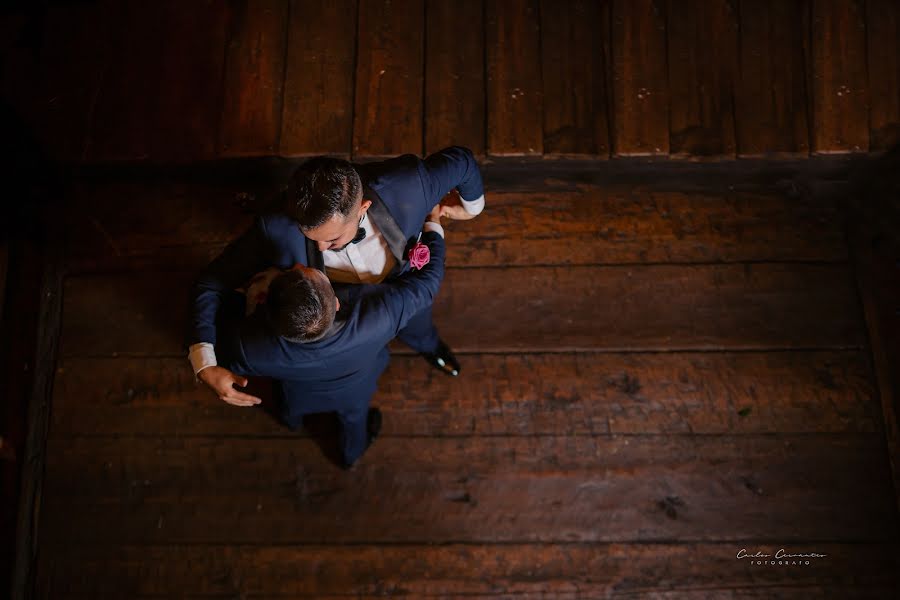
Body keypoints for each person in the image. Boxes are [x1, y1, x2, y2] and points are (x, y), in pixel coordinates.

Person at [188, 146, 485, 407]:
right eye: (310, 238)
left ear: (362, 209)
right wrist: (204, 362)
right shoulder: (275, 226)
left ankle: (428, 345)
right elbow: (212, 281)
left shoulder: (409, 183)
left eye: (331, 240)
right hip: (332, 317)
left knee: (419, 323)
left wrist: (472, 208)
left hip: (404, 284)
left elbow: (461, 161)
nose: (318, 249)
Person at [215, 220, 447, 468]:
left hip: (299, 393)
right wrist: (433, 223)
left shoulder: (249, 349)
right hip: (354, 390)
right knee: (355, 419)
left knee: (289, 408)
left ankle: (290, 422)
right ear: (336, 303)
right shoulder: (381, 317)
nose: (297, 263)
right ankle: (350, 456)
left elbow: (223, 355)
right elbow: (429, 283)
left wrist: (208, 368)